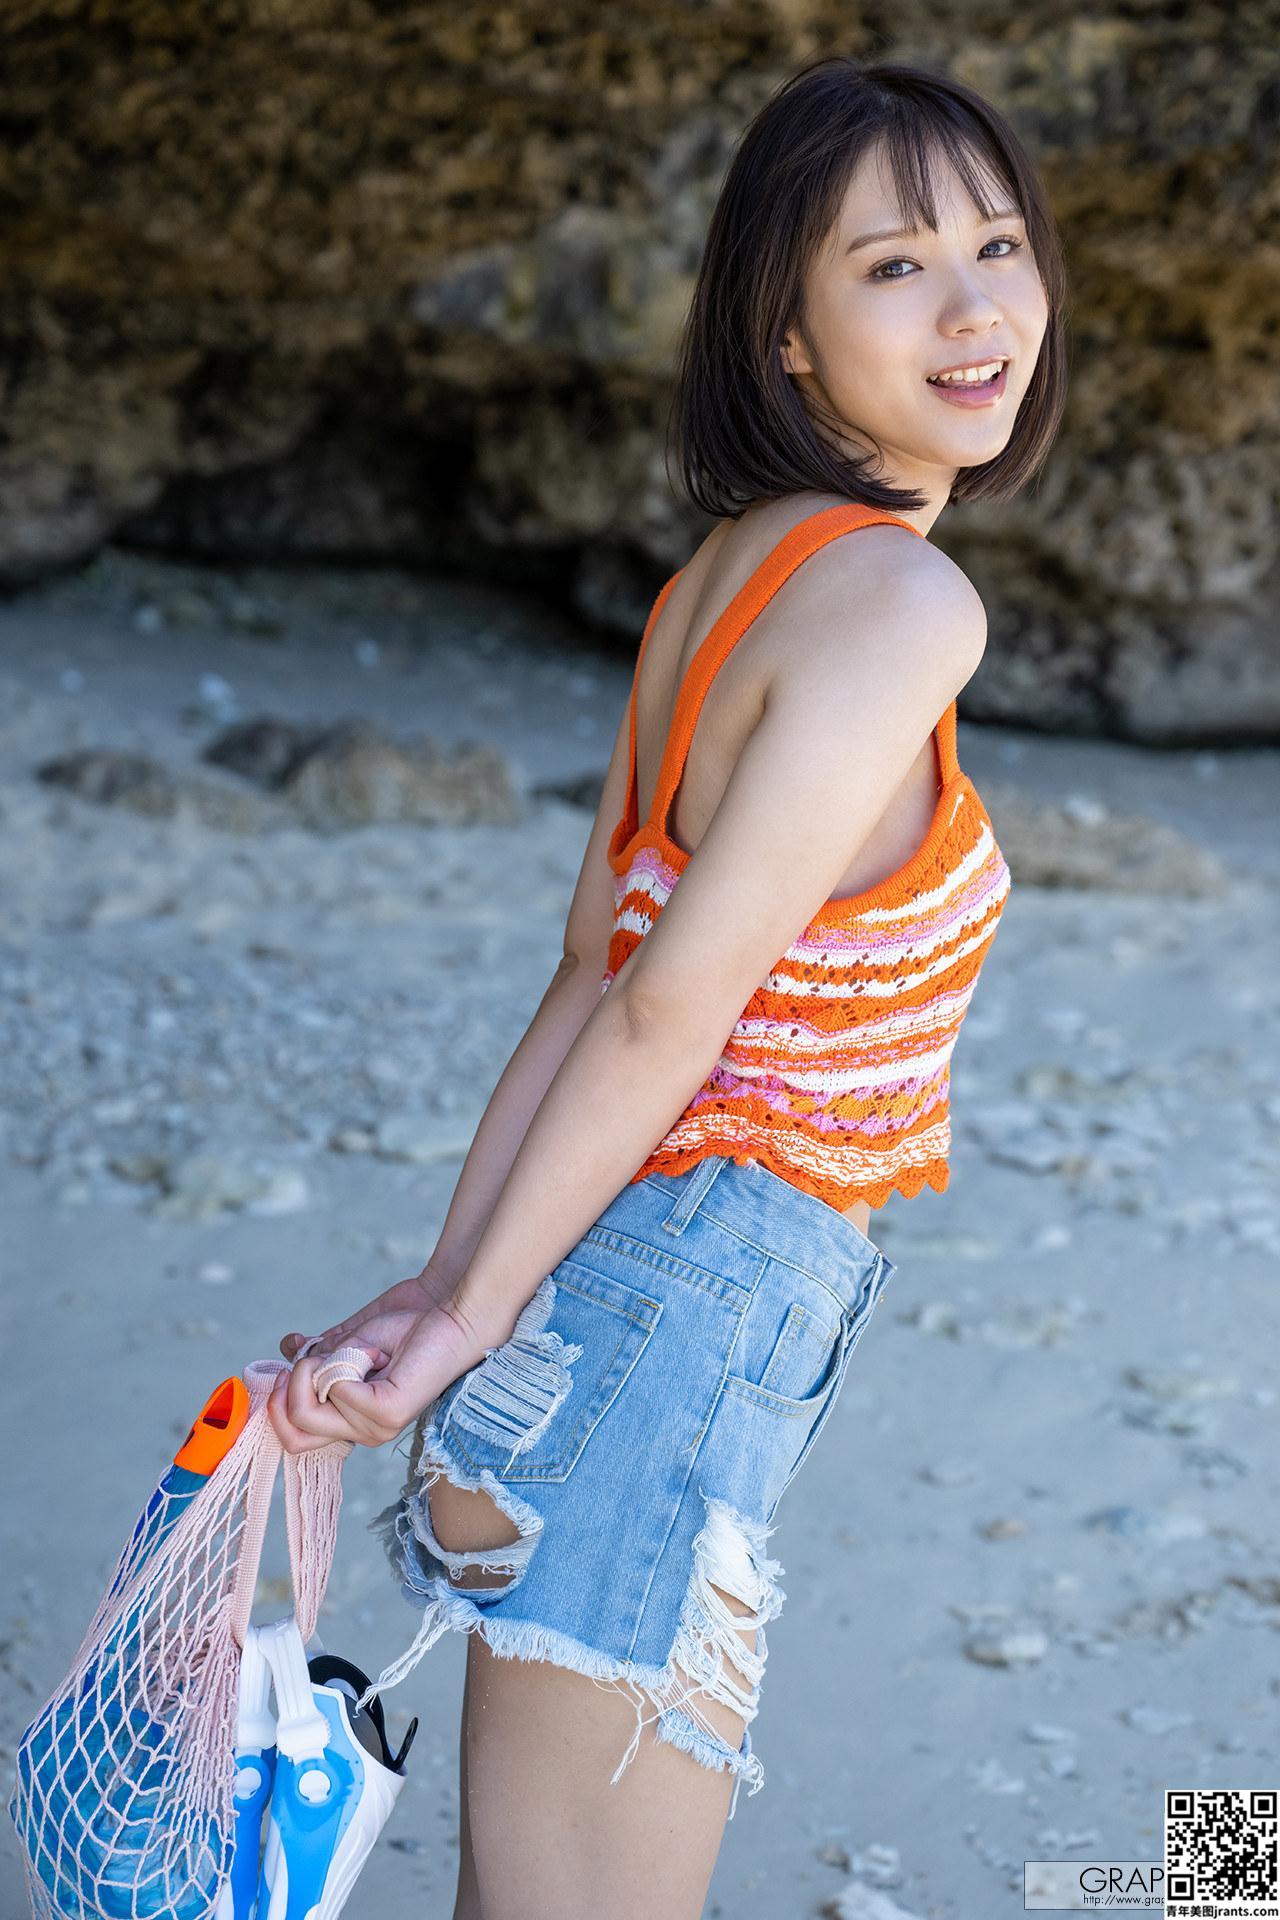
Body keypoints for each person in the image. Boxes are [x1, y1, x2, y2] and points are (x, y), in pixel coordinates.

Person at [268, 51, 1068, 1920]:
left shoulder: (722, 581)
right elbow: (655, 1007)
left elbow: (589, 968)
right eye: (893, 266)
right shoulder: (903, 607)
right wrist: (460, 1311)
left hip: (586, 1304)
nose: (975, 309)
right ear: (784, 334)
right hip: (666, 1340)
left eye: (998, 245)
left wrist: (460, 1290)